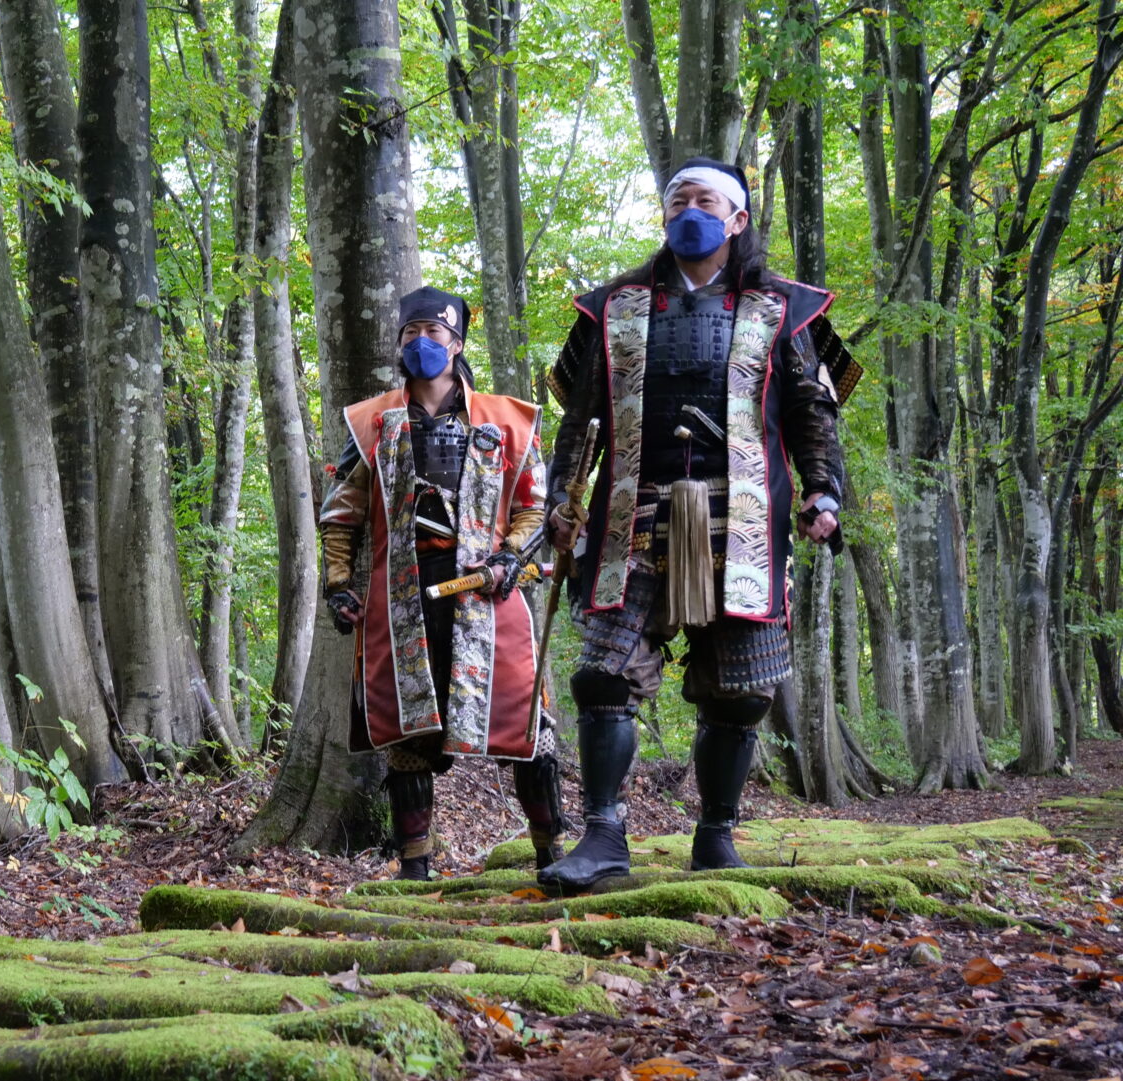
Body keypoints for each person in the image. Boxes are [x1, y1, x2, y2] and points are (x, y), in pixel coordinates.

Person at [540, 157, 851, 893]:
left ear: (737, 219)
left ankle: (716, 835)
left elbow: (813, 411)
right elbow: (579, 415)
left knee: (741, 688)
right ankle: (603, 836)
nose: (689, 209)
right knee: (602, 674)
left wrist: (824, 491)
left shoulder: (784, 308)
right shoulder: (612, 307)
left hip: (744, 514)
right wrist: (562, 495)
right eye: (677, 198)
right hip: (632, 511)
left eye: (704, 200)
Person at [318, 285, 566, 882]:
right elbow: (341, 513)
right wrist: (338, 584)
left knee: (528, 723)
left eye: (434, 334)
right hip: (401, 597)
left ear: (456, 344)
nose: (422, 344)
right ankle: (415, 867)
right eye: (411, 335)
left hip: (489, 592)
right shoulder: (373, 425)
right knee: (407, 729)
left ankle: (553, 854)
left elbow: (534, 506)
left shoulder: (508, 421)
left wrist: (510, 557)